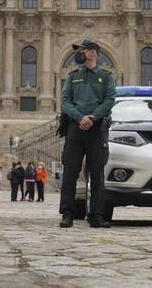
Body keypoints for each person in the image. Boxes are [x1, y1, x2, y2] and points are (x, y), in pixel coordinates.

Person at [59, 40, 115, 228]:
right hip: (76, 127)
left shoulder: (106, 76)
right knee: (70, 172)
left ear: (92, 53)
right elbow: (65, 101)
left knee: (97, 173)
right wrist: (80, 117)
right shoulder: (72, 76)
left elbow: (110, 99)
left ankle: (96, 215)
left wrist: (93, 117)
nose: (79, 53)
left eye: (82, 50)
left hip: (97, 128)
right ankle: (67, 213)